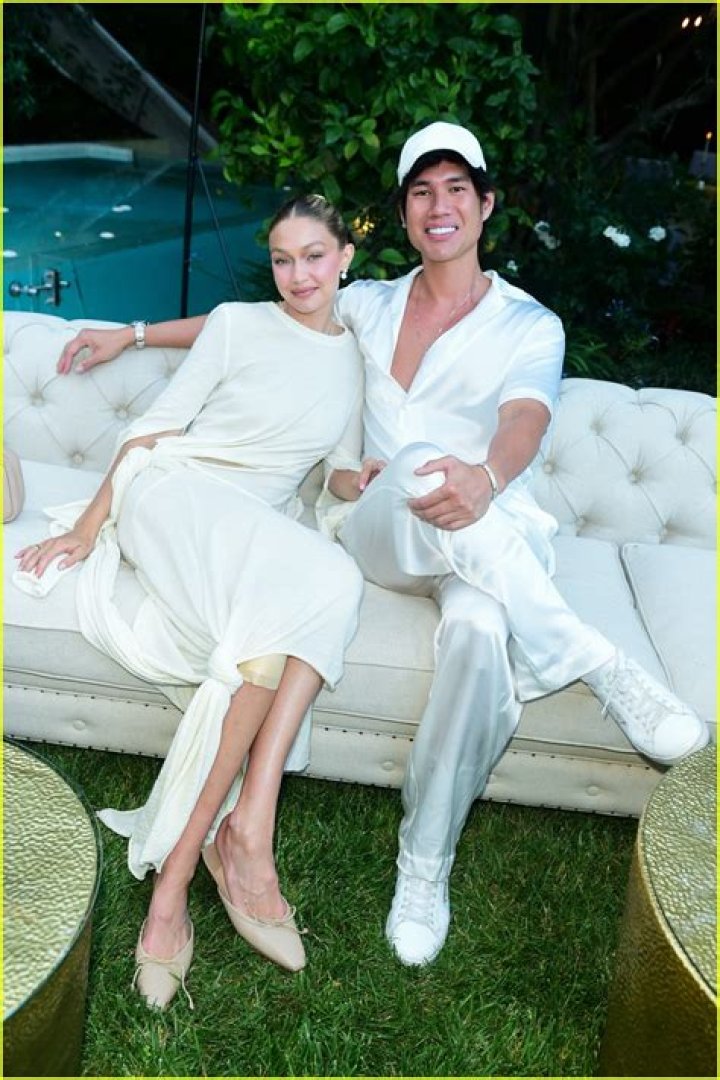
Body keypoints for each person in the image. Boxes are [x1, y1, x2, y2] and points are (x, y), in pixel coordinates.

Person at [55, 123, 709, 970]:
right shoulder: (367, 304)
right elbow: (254, 322)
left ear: (486, 205)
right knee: (411, 466)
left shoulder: (529, 324)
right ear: (403, 216)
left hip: (482, 536)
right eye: (422, 192)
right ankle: (587, 654)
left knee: (480, 631)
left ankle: (425, 866)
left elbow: (525, 419)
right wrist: (133, 334)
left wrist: (487, 477)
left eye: (456, 189)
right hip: (380, 528)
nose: (440, 206)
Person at [15, 194, 366, 1008]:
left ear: (346, 257)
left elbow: (342, 473)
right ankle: (223, 858)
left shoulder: (355, 362)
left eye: (314, 256)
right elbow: (152, 432)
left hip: (253, 520)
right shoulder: (238, 324)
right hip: (172, 493)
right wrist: (91, 524)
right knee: (310, 599)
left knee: (316, 599)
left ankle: (199, 865)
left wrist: (370, 482)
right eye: (282, 259)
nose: (298, 275)